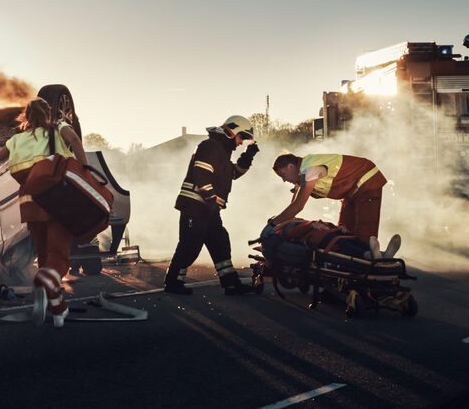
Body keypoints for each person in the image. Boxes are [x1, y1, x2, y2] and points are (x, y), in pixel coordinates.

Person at [0, 98, 88, 328]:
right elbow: (75, 140)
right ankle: (45, 281)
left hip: (29, 205)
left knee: (44, 255)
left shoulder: (16, 140)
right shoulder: (58, 128)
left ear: (26, 116)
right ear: (48, 114)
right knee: (59, 256)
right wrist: (86, 173)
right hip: (57, 201)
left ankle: (56, 310)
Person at [164, 115, 260, 295]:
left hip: (207, 208)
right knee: (189, 245)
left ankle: (230, 283)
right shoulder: (210, 146)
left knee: (220, 243)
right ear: (231, 133)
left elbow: (232, 173)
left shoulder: (221, 151)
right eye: (241, 138)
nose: (241, 143)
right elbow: (201, 174)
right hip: (196, 206)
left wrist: (248, 155)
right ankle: (173, 283)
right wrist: (211, 201)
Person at [270, 153, 388, 245]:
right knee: (344, 229)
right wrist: (278, 227)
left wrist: (271, 224)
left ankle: (371, 254)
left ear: (290, 166)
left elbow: (298, 206)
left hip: (367, 180)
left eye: (283, 175)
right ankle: (369, 253)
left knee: (365, 229)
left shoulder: (309, 170)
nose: (284, 180)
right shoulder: (301, 178)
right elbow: (292, 211)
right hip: (351, 190)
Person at [263, 218, 402, 260]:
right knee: (345, 246)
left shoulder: (300, 220)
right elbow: (295, 233)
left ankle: (383, 254)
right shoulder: (286, 229)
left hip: (332, 232)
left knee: (354, 240)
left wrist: (340, 226)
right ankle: (372, 255)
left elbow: (325, 224)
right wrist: (310, 224)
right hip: (322, 239)